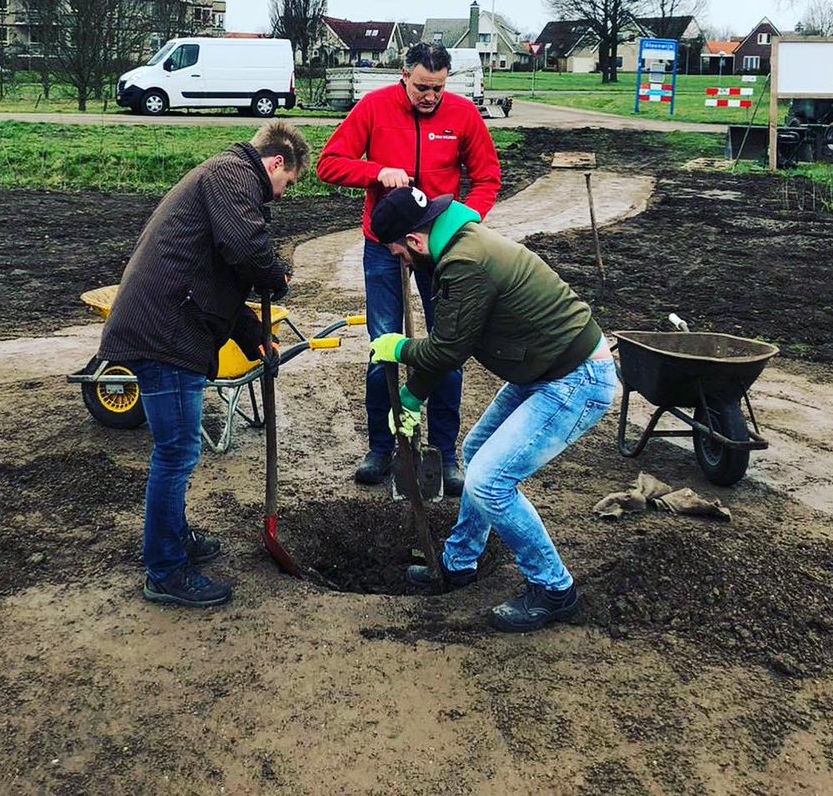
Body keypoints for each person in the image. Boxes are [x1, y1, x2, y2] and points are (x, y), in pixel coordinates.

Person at [367, 185, 616, 633]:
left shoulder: (465, 264)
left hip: (576, 377)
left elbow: (446, 349)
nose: (403, 264)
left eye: (400, 255)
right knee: (479, 449)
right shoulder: (459, 245)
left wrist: (399, 348)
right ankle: (459, 563)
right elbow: (451, 339)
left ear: (416, 242)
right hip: (543, 370)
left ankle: (554, 589)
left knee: (489, 482)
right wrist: (412, 397)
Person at [98, 120, 308, 609]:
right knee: (177, 453)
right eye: (288, 184)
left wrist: (255, 337)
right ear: (276, 163)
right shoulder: (233, 175)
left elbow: (220, 279)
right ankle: (166, 571)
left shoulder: (225, 180)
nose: (280, 196)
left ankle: (175, 541)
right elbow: (245, 249)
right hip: (165, 331)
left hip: (173, 321)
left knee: (177, 451)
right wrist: (275, 274)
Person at [316, 42, 501, 494]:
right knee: (385, 346)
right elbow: (329, 164)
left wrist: (463, 221)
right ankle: (382, 447)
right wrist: (377, 173)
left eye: (438, 88)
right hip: (385, 247)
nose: (430, 97)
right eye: (422, 87)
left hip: (440, 251)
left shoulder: (463, 115)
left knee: (449, 347)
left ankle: (445, 451)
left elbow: (488, 177)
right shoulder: (375, 108)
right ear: (404, 74)